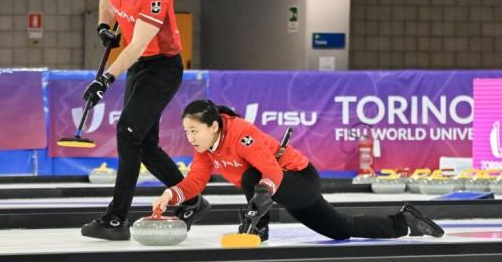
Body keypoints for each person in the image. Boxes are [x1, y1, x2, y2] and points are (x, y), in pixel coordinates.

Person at [153, 99, 445, 242]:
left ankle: (260, 227)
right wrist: (171, 195)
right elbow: (195, 181)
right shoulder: (205, 148)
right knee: (340, 229)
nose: (190, 137)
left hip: (299, 179)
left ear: (214, 126)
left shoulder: (240, 133)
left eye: (194, 131)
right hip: (285, 191)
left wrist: (256, 213)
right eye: (186, 131)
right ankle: (404, 222)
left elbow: (270, 170)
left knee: (252, 174)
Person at [80, 0, 210, 241]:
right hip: (140, 68)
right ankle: (191, 200)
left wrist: (105, 79)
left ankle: (115, 219)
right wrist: (103, 25)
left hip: (162, 67)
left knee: (127, 134)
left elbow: (137, 46)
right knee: (144, 145)